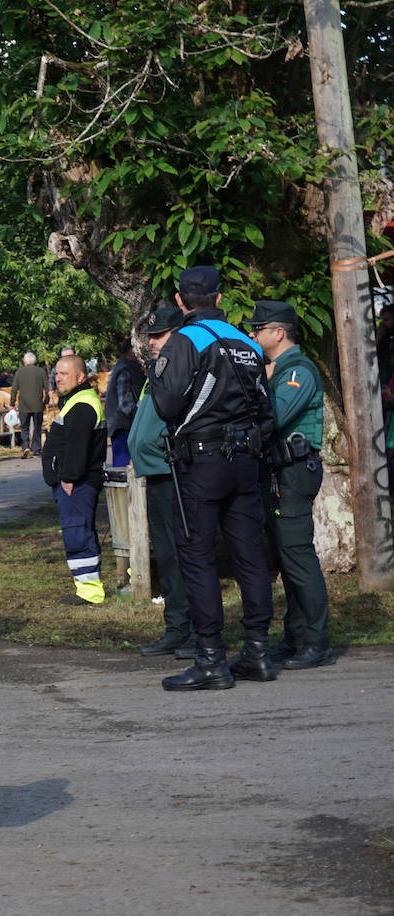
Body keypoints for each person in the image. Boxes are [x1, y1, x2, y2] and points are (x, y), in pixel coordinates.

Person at [152, 265, 276, 692]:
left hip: (201, 461)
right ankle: (258, 651)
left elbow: (167, 406)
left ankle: (210, 658)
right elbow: (266, 410)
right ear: (220, 298)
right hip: (245, 458)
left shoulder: (187, 340)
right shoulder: (246, 342)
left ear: (180, 300)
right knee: (248, 555)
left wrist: (156, 374)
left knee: (197, 555)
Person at [244, 300, 334, 670]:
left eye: (258, 329)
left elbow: (275, 415)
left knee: (298, 555)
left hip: (295, 472)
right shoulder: (280, 369)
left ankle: (316, 641)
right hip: (282, 472)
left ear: (278, 333)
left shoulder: (298, 372)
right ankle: (296, 636)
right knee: (286, 555)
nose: (252, 335)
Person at [127, 306, 194, 658]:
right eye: (151, 336)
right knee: (167, 555)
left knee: (186, 555)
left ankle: (197, 629)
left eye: (159, 335)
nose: (153, 342)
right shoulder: (157, 371)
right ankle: (176, 627)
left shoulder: (182, 368)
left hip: (176, 474)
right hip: (155, 474)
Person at [42, 356, 107, 605]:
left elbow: (78, 448)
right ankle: (87, 587)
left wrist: (68, 477)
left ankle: (90, 591)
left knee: (77, 532)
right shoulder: (77, 400)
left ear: (80, 376)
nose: (58, 378)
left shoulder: (82, 404)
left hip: (76, 483)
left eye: (64, 374)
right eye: (56, 373)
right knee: (78, 531)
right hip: (75, 482)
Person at [104, 339, 147, 467]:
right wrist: (140, 417)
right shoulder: (125, 370)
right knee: (123, 466)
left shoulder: (122, 367)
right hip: (122, 425)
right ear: (131, 351)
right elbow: (125, 404)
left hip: (122, 424)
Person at [9, 352, 48, 458]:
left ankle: (25, 446)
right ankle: (36, 450)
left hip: (24, 405)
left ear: (25, 361)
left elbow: (14, 389)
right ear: (34, 361)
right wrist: (46, 402)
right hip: (38, 404)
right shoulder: (41, 371)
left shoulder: (19, 372)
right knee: (37, 427)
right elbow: (46, 388)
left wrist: (12, 403)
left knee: (24, 427)